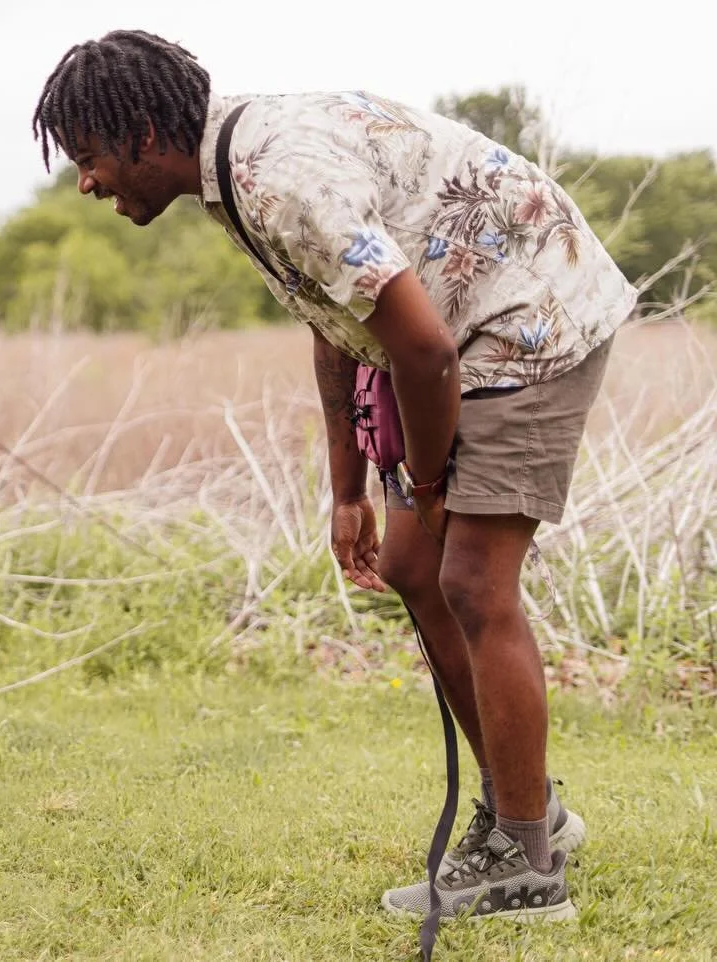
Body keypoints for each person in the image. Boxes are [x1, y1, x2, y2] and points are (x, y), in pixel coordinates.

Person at [31, 29, 636, 923]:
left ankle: (525, 868)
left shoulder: (281, 178)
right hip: (454, 333)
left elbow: (424, 350)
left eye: (91, 158)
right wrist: (346, 485)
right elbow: (335, 313)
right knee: (408, 567)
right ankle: (530, 807)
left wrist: (428, 488)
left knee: (470, 579)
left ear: (147, 134)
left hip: (530, 315)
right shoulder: (233, 170)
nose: (86, 182)